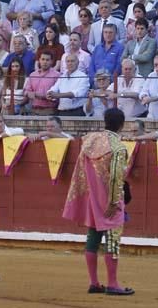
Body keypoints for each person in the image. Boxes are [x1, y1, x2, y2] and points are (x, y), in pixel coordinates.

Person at [62, 107, 133, 296]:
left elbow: (81, 171)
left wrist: (89, 198)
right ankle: (112, 283)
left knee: (93, 238)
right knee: (113, 241)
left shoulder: (91, 140)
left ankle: (94, 282)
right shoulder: (118, 147)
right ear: (122, 124)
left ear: (106, 121)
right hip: (109, 201)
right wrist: (113, 202)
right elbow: (116, 179)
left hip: (92, 199)